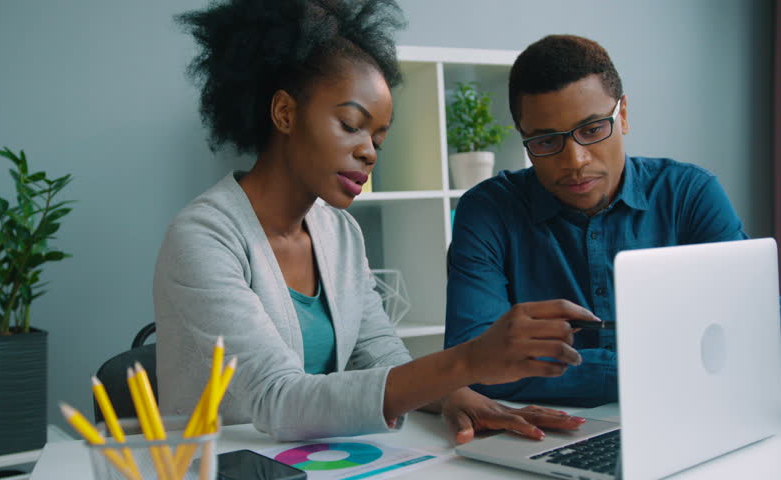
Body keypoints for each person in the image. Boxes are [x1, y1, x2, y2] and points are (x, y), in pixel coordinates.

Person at [154, 0, 596, 443]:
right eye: (351, 124)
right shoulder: (203, 237)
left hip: (311, 460)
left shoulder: (339, 233)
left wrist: (455, 394)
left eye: (378, 139)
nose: (369, 151)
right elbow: (277, 398)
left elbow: (379, 354)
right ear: (285, 113)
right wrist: (469, 361)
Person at [445, 34, 748, 407]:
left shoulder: (690, 195)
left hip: (686, 413)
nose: (575, 161)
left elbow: (753, 331)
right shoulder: (487, 212)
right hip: (547, 434)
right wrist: (664, 367)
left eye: (592, 130)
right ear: (523, 137)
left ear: (622, 115)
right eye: (545, 142)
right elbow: (471, 366)